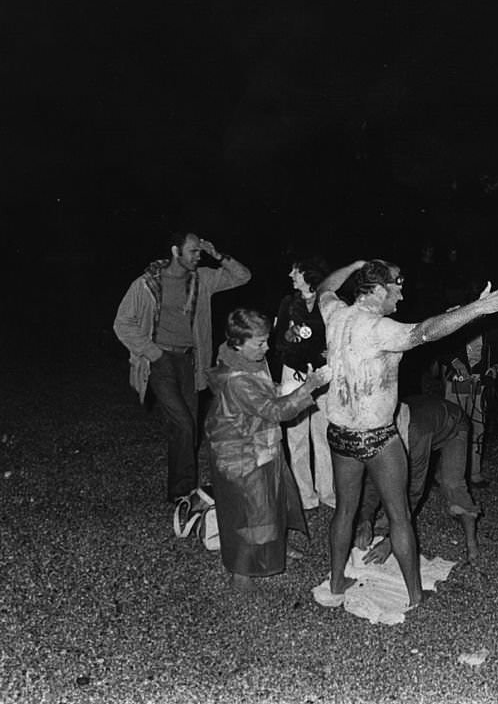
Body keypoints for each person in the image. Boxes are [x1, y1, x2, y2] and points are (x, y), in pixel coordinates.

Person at [315, 259, 498, 609]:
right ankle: (414, 594)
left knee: (344, 511)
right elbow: (425, 332)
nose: (401, 293)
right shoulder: (380, 328)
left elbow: (323, 289)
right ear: (378, 290)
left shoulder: (335, 315)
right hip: (376, 436)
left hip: (341, 434)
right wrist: (478, 308)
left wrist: (354, 265)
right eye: (397, 285)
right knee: (399, 514)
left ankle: (337, 582)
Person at [113, 232, 251, 502]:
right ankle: (182, 491)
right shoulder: (146, 284)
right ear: (175, 251)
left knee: (186, 427)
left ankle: (181, 490)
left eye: (199, 252)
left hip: (190, 361)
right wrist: (152, 352)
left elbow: (243, 276)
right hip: (160, 360)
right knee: (184, 423)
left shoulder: (203, 279)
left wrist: (218, 254)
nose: (197, 257)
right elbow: (122, 323)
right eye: (193, 252)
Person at [204, 309, 332, 591]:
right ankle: (241, 570)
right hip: (241, 454)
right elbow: (275, 411)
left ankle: (274, 548)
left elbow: (265, 394)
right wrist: (308, 387)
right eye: (259, 343)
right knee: (247, 513)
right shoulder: (236, 378)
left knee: (274, 502)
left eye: (266, 341)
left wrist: (282, 386)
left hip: (262, 443)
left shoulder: (248, 358)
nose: (266, 348)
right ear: (238, 343)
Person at [356, 394, 481, 564]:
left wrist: (391, 542)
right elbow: (373, 479)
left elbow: (414, 492)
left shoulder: (415, 435)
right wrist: (365, 518)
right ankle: (387, 522)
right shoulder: (378, 430)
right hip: (426, 417)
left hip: (453, 425)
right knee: (388, 475)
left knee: (452, 483)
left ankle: (471, 542)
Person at [273, 257, 334, 511]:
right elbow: (277, 341)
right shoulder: (288, 303)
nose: (290, 275)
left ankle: (328, 492)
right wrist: (288, 338)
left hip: (322, 377)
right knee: (296, 436)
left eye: (295, 271)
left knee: (323, 434)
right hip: (293, 376)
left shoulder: (330, 303)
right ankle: (303, 495)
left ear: (308, 274)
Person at [440, 304, 498, 488]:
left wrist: (493, 369)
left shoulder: (494, 327)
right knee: (454, 426)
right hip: (457, 379)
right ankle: (448, 473)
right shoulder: (455, 319)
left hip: (480, 381)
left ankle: (474, 472)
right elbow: (441, 346)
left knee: (478, 425)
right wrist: (456, 363)